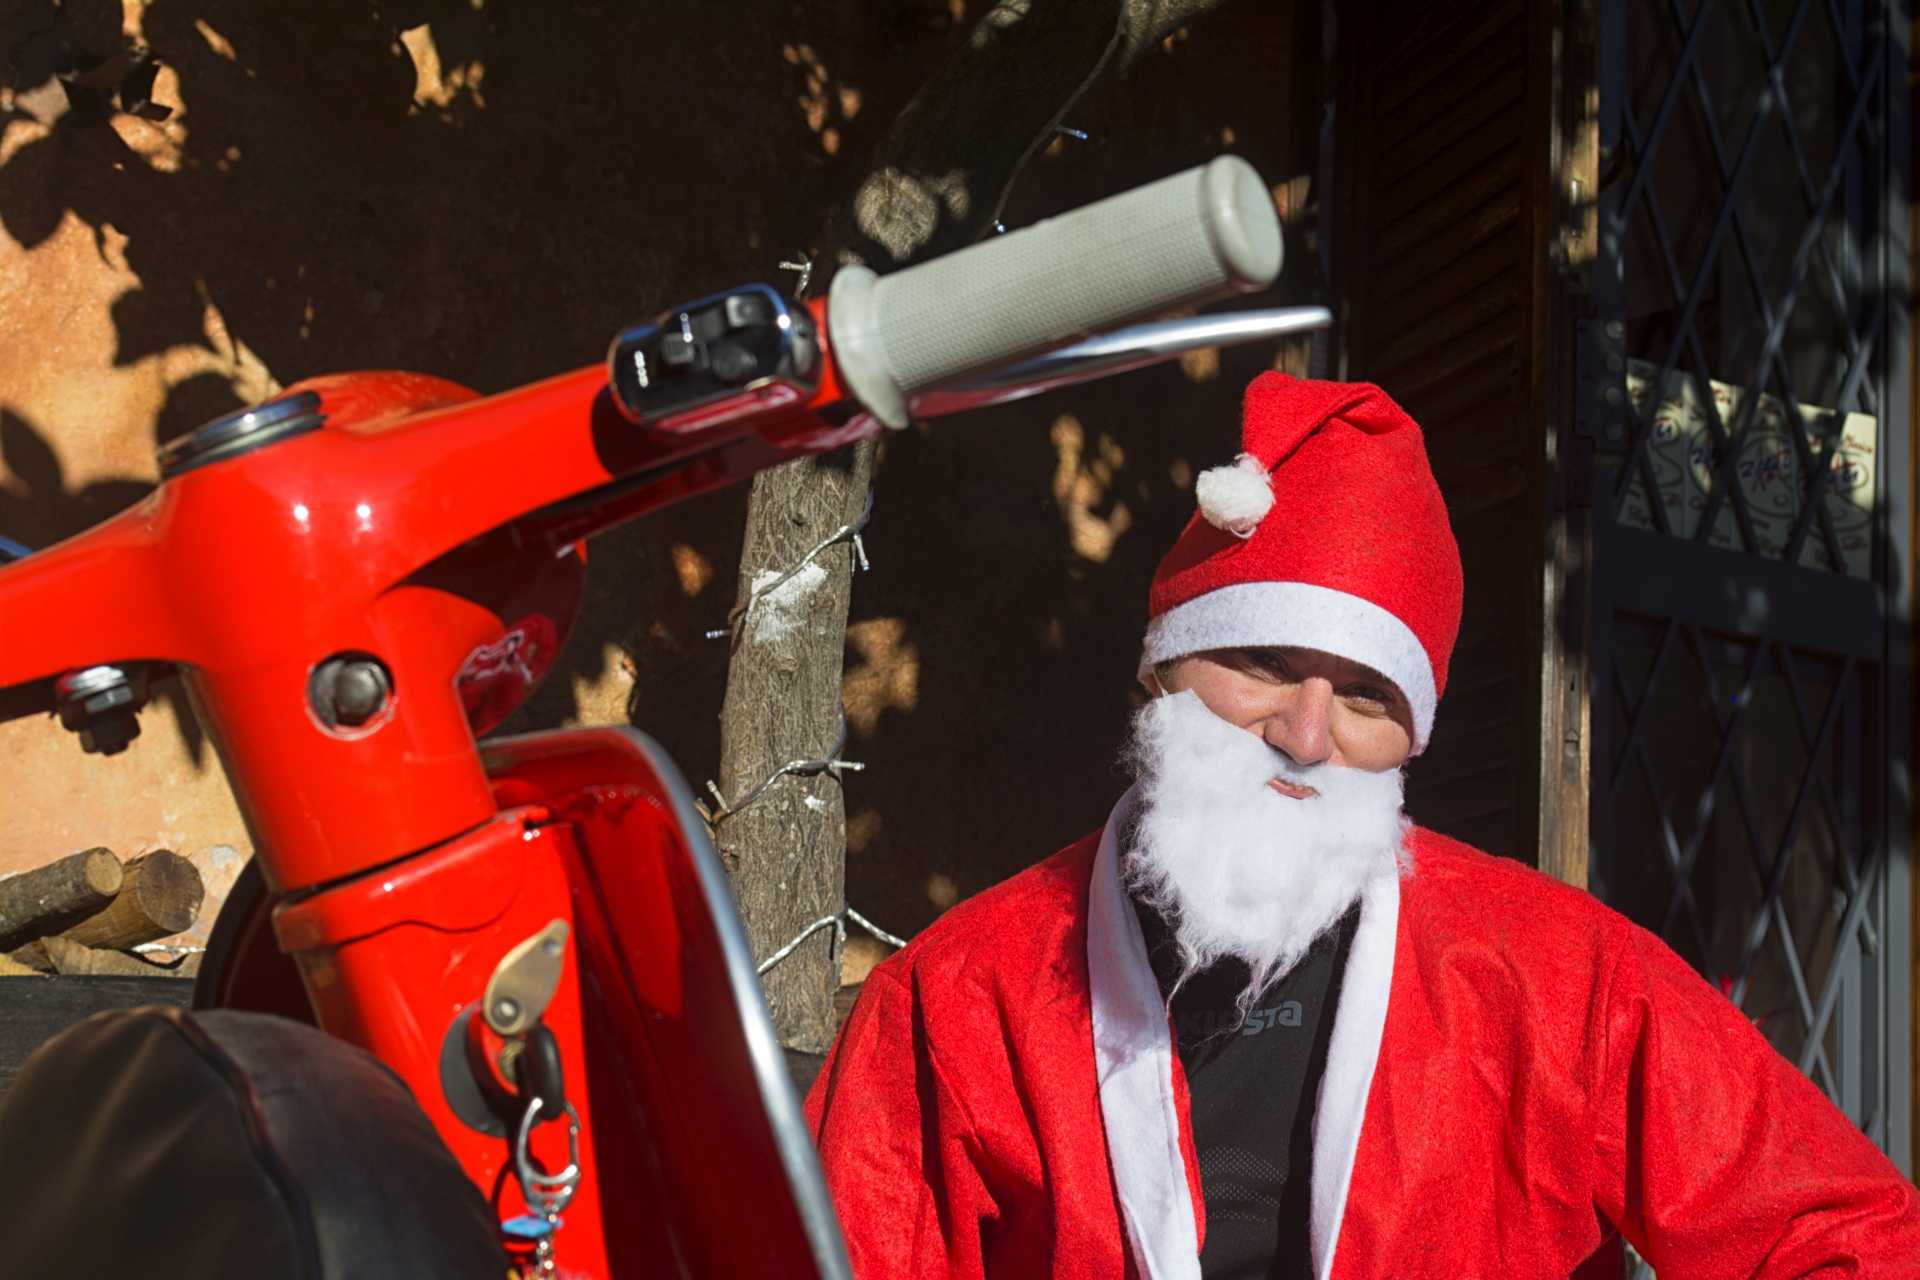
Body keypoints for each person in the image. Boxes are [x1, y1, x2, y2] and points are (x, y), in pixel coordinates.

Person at [805, 372, 1920, 1278]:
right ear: (1159, 667)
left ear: (1412, 734)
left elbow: (1848, 1234)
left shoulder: (1563, 976)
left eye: (1366, 696)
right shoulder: (958, 991)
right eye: (1262, 662)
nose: (1305, 731)